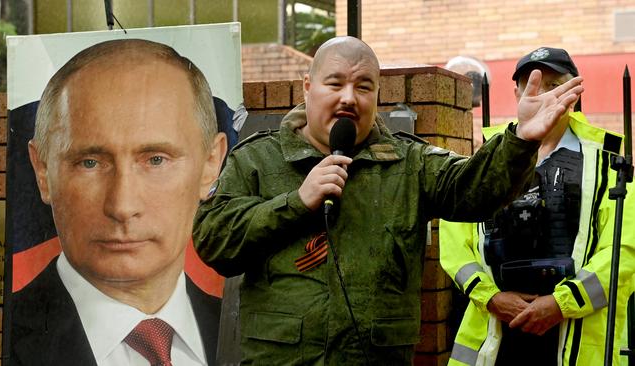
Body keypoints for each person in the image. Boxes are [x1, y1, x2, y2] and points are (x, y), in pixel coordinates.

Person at [194, 37, 583, 365]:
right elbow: (214, 241)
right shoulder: (256, 160)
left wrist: (521, 141)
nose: (349, 98)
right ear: (307, 87)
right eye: (335, 84)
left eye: (364, 86)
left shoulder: (409, 162)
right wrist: (296, 202)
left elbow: (476, 191)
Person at [11, 39, 227, 366]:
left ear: (211, 164)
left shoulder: (256, 329)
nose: (122, 206)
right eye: (90, 163)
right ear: (42, 171)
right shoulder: (2, 337)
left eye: (156, 160)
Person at [440, 47, 635, 365]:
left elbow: (624, 250)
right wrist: (491, 297)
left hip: (576, 338)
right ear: (516, 92)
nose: (543, 94)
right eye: (531, 84)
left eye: (554, 84)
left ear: (573, 91)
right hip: (497, 338)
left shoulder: (606, 163)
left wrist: (561, 304)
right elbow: (455, 241)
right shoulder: (488, 158)